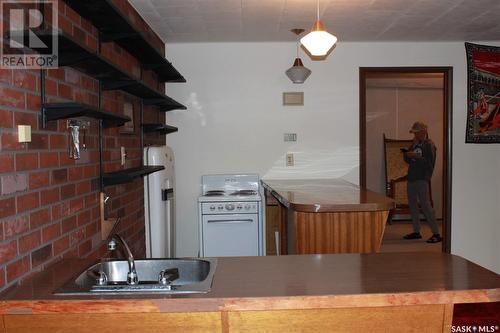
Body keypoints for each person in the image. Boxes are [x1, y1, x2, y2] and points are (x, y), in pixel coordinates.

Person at [402, 121, 442, 243]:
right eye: (414, 133)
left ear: (423, 132)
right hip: (411, 178)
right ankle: (416, 231)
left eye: (417, 132)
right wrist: (408, 154)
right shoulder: (415, 143)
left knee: (426, 206)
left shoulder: (429, 145)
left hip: (422, 179)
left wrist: (417, 157)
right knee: (413, 205)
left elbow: (430, 164)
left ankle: (436, 234)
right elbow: (407, 160)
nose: (415, 135)